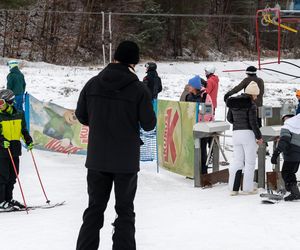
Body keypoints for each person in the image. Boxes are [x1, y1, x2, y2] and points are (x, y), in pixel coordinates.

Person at [75, 40, 156, 250]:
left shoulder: (92, 83)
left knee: (94, 209)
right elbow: (149, 125)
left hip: (97, 158)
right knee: (125, 210)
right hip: (125, 160)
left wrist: (100, 124)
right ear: (134, 62)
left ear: (115, 57)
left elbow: (81, 115)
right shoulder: (138, 89)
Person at [226, 81, 263, 195]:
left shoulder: (233, 103)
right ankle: (247, 188)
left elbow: (229, 118)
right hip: (248, 135)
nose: (256, 97)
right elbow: (253, 123)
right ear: (252, 94)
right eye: (256, 95)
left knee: (237, 161)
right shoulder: (251, 105)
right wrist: (259, 137)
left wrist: (237, 123)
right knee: (250, 162)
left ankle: (233, 188)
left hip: (236, 134)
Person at [0, 89, 33, 212]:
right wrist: (1, 141)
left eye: (1, 102)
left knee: (13, 176)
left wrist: (28, 141)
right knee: (2, 176)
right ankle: (1, 201)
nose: (0, 106)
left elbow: (23, 130)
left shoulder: (19, 114)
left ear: (9, 102)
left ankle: (8, 199)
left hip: (14, 149)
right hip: (2, 150)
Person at [184, 75, 213, 174]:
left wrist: (200, 121)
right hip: (191, 126)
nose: (188, 87)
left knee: (202, 149)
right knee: (191, 148)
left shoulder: (205, 96)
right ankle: (191, 170)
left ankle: (203, 171)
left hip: (202, 127)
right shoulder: (188, 96)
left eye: (190, 85)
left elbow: (209, 112)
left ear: (195, 86)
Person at [271, 114, 300, 201]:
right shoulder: (297, 125)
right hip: (297, 153)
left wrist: (275, 154)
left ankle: (295, 193)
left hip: (291, 153)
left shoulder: (287, 126)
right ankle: (294, 191)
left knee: (287, 173)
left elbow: (284, 141)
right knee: (291, 172)